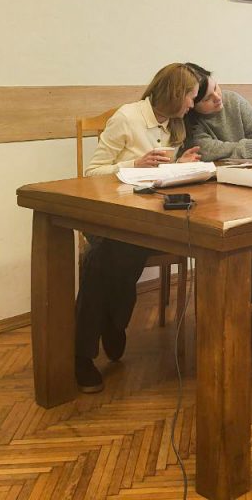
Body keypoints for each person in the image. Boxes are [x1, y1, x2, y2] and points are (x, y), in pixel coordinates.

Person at [75, 63, 202, 393]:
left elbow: (161, 176)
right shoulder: (127, 117)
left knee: (112, 252)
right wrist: (134, 163)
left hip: (148, 217)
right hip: (110, 214)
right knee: (105, 253)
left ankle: (108, 326)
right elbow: (91, 173)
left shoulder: (175, 126)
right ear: (175, 93)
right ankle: (91, 346)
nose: (192, 104)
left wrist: (180, 166)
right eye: (190, 96)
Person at [184, 63, 252, 309]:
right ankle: (234, 286)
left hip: (250, 184)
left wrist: (247, 149)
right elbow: (204, 149)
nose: (218, 97)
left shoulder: (234, 101)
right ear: (192, 103)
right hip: (213, 194)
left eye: (217, 88)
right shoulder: (190, 120)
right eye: (207, 98)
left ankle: (248, 278)